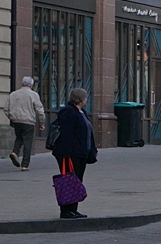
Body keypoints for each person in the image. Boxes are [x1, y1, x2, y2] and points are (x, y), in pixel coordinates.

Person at [52, 87, 97, 218]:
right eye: (85, 97)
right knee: (69, 181)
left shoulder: (82, 112)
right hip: (70, 154)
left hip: (81, 153)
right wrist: (66, 154)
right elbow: (67, 134)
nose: (87, 100)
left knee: (77, 181)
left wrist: (93, 150)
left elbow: (89, 132)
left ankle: (73, 209)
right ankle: (65, 210)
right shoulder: (68, 112)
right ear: (80, 99)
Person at [6, 76, 46, 171]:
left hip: (16, 121)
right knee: (28, 142)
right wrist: (42, 122)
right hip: (28, 121)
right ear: (31, 85)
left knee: (19, 137)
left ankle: (15, 152)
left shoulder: (13, 94)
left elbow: (5, 108)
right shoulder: (33, 95)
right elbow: (39, 109)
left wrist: (11, 116)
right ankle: (25, 165)